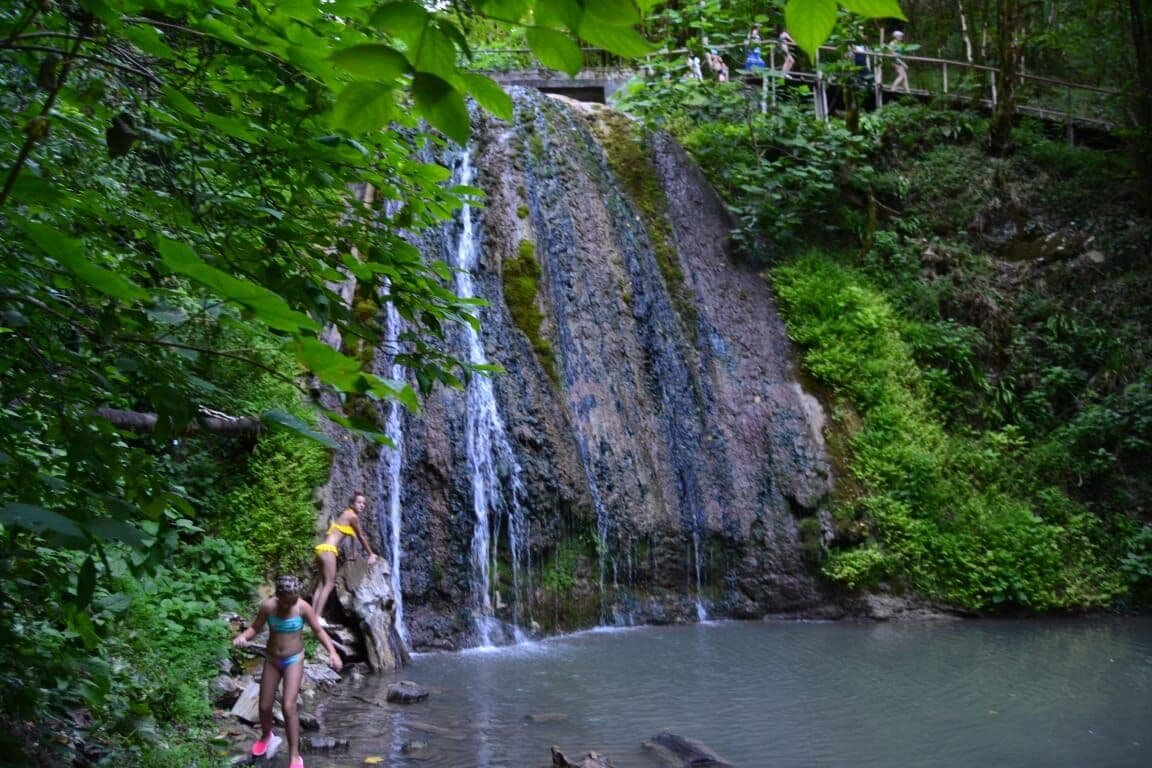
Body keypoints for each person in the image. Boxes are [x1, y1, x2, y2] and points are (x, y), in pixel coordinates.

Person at [233, 574, 342, 768]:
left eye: (292, 601)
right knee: (265, 705)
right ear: (278, 597)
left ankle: (294, 755)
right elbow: (255, 628)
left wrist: (333, 653)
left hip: (294, 660)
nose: (289, 605)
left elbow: (318, 631)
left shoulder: (302, 607)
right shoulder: (268, 606)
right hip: (272, 659)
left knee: (288, 706)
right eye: (285, 602)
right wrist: (243, 637)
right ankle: (267, 736)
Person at [311, 492, 378, 623]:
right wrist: (371, 554)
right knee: (329, 584)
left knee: (321, 584)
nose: (362, 505)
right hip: (329, 551)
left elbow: (350, 535)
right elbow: (361, 537)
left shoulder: (346, 514)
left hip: (322, 549)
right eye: (359, 502)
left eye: (364, 503)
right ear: (352, 504)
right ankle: (317, 618)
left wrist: (353, 554)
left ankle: (312, 617)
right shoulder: (353, 517)